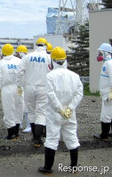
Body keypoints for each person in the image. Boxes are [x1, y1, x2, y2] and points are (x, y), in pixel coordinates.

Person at [38, 47, 83, 175]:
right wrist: (70, 108)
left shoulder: (50, 76)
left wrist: (59, 110)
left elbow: (51, 95)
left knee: (52, 139)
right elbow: (79, 94)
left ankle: (48, 168)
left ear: (52, 61)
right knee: (72, 137)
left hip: (55, 114)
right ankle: (74, 167)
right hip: (70, 114)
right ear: (65, 60)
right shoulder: (75, 76)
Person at [16, 37, 51, 147]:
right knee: (41, 112)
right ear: (45, 46)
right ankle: (38, 139)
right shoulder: (49, 58)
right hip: (44, 87)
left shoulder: (27, 57)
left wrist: (19, 85)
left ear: (36, 45)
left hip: (29, 87)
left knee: (31, 111)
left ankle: (34, 137)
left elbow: (19, 71)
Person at [0, 43, 23, 140]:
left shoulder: (1, 63)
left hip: (7, 88)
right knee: (18, 108)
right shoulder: (19, 61)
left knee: (8, 110)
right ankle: (17, 132)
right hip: (19, 87)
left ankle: (11, 133)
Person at [93, 43, 112, 142]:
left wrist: (111, 92)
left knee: (106, 114)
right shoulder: (108, 63)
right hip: (108, 93)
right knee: (111, 114)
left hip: (109, 94)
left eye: (100, 53)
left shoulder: (110, 64)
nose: (99, 55)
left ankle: (104, 135)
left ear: (106, 53)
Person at [14, 45, 31, 133]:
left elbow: (20, 74)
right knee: (21, 105)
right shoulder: (24, 60)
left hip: (26, 85)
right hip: (24, 85)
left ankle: (28, 125)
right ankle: (20, 123)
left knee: (25, 106)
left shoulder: (24, 61)